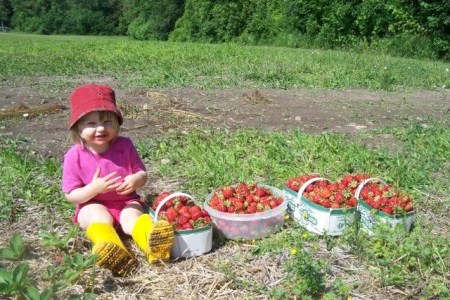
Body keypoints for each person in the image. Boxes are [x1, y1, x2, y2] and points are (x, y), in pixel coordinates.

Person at [62, 84, 174, 276]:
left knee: (132, 220)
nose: (100, 128)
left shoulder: (125, 145)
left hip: (125, 201)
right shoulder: (74, 156)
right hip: (92, 203)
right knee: (99, 217)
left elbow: (142, 174)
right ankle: (112, 250)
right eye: (91, 124)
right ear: (77, 128)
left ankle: (154, 244)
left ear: (117, 123)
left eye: (107, 122)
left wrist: (135, 180)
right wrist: (94, 188)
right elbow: (71, 195)